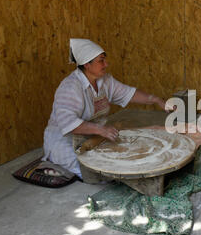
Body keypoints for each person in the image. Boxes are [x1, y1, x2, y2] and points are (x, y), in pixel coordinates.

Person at [42, 38, 173, 179]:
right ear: (87, 64)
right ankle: (55, 162)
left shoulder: (105, 81)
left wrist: (157, 100)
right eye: (101, 61)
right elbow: (68, 123)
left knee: (121, 160)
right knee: (98, 174)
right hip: (64, 142)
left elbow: (128, 93)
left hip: (92, 136)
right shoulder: (70, 87)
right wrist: (100, 129)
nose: (106, 64)